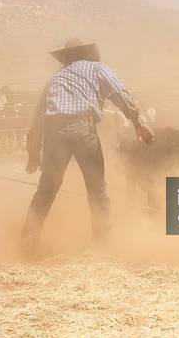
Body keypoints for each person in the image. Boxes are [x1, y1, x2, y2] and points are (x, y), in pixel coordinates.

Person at [22, 38, 154, 249]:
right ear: (87, 54)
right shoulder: (96, 68)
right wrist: (138, 122)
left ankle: (28, 240)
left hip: (54, 133)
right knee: (97, 188)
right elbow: (120, 94)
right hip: (83, 129)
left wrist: (33, 154)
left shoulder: (55, 78)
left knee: (47, 188)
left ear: (66, 57)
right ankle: (102, 242)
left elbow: (38, 120)